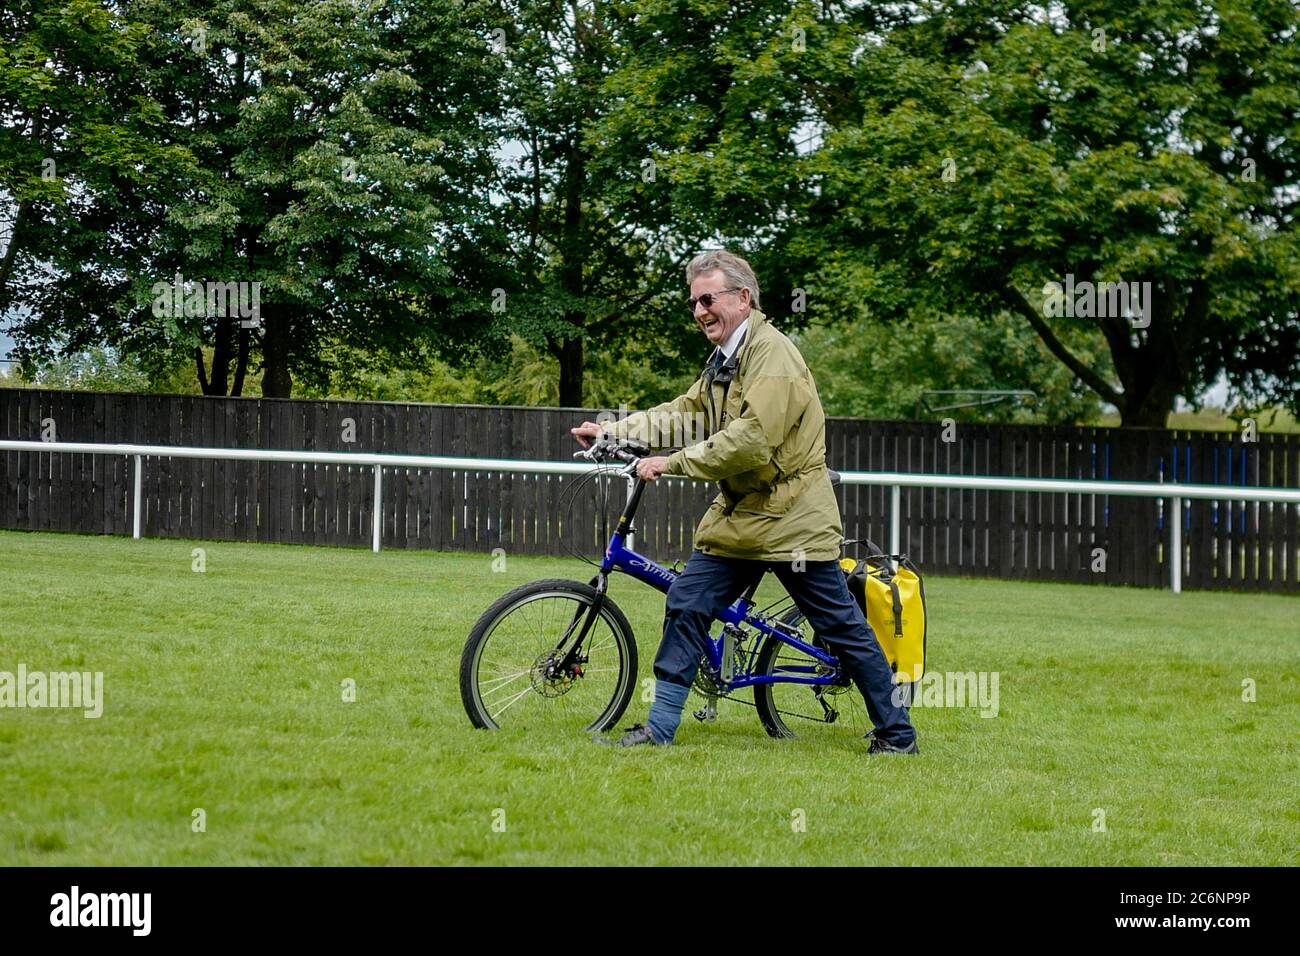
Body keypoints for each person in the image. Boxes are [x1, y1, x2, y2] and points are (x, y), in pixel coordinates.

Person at [570, 250, 918, 754]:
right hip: (741, 517)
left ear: (743, 297)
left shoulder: (773, 355)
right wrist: (611, 430)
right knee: (687, 602)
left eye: (708, 299)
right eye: (693, 302)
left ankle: (897, 734)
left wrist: (673, 463)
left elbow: (754, 439)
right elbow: (684, 413)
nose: (699, 311)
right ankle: (660, 729)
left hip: (794, 518)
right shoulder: (723, 361)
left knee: (838, 626)